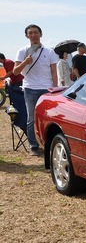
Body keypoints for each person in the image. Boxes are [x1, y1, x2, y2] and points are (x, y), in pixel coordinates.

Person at [12, 24, 58, 156]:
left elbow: (54, 71)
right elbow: (15, 72)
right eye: (30, 33)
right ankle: (33, 146)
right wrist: (25, 62)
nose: (33, 35)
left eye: (35, 32)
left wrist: (54, 89)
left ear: (40, 34)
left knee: (49, 118)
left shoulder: (49, 51)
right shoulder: (22, 51)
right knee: (31, 118)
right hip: (30, 89)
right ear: (26, 36)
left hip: (47, 89)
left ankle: (49, 144)